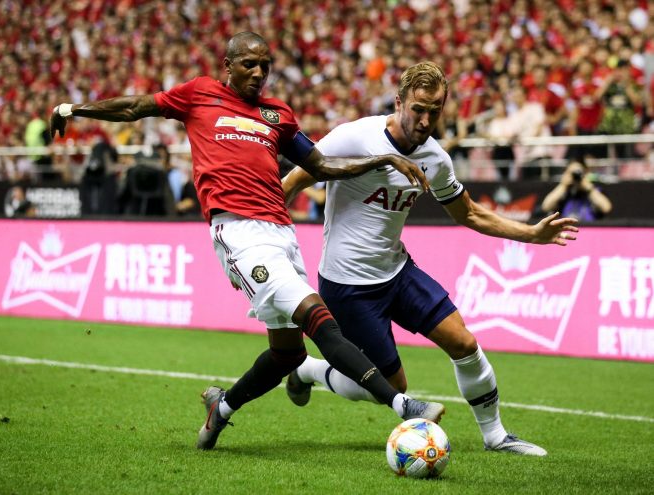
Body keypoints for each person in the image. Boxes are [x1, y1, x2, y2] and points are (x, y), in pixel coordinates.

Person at [49, 32, 443, 451]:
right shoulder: (199, 94)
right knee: (318, 317)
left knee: (288, 354)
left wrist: (382, 158)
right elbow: (136, 106)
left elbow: (322, 165)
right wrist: (72, 109)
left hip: (282, 233)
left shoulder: (278, 115)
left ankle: (220, 408)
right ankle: (404, 406)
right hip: (238, 233)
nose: (258, 73)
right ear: (228, 65)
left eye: (265, 66)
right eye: (248, 64)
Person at [282, 62, 581, 457]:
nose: (425, 121)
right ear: (399, 102)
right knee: (392, 386)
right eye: (418, 109)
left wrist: (531, 234)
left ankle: (496, 436)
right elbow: (292, 183)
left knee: (463, 341)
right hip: (348, 283)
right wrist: (263, 238)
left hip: (397, 271)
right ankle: (308, 370)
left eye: (435, 111)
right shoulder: (354, 138)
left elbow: (468, 213)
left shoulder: (435, 159)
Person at [541, 160, 612, 221]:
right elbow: (546, 207)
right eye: (571, 173)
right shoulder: (562, 191)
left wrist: (589, 189)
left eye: (578, 172)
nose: (575, 176)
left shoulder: (593, 190)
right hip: (566, 228)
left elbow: (606, 208)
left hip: (590, 228)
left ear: (585, 173)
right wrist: (563, 185)